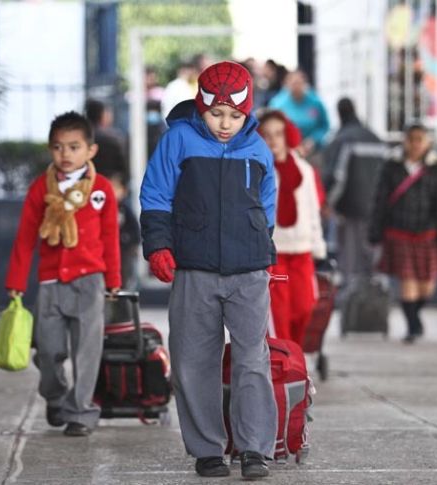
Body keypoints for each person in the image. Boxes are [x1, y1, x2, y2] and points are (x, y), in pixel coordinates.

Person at [140, 61, 277, 479]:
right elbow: (156, 193)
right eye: (215, 113)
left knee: (253, 358)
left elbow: (267, 204)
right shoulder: (178, 139)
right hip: (195, 268)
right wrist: (159, 246)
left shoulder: (257, 148)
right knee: (193, 359)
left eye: (235, 115)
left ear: (247, 112)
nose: (224, 124)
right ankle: (207, 450)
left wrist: (259, 241)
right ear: (200, 105)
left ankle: (255, 449)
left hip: (249, 271)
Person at [5, 111, 122, 437]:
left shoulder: (101, 190)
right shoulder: (41, 189)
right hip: (51, 282)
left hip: (90, 281)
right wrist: (16, 281)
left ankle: (82, 413)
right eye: (58, 147)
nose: (65, 154)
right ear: (50, 149)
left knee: (87, 352)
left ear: (90, 151)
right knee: (47, 350)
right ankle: (55, 396)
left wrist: (113, 278)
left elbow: (110, 236)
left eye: (73, 147)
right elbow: (26, 238)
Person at [369, 123, 437, 344]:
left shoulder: (435, 168)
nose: (416, 144)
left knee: (427, 285)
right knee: (408, 281)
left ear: (428, 142)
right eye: (411, 139)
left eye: (420, 139)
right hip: (399, 232)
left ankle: (415, 315)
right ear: (404, 141)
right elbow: (380, 201)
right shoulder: (391, 166)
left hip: (427, 234)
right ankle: (412, 326)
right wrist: (375, 230)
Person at [257, 109, 326, 347]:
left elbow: (313, 209)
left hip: (302, 252)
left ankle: (295, 361)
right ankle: (283, 367)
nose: (273, 139)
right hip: (274, 255)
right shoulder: (256, 169)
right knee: (279, 313)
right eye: (267, 134)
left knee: (305, 307)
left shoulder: (305, 170)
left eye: (278, 133)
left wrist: (319, 247)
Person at [322, 97, 388, 290]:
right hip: (376, 210)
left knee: (349, 260)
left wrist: (328, 203)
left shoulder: (343, 140)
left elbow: (337, 176)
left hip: (350, 209)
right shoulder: (376, 139)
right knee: (371, 258)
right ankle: (372, 302)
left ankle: (351, 303)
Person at [268, 69, 330, 157]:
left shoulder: (315, 102)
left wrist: (313, 140)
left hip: (313, 151)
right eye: (293, 84)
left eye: (299, 83)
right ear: (287, 84)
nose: (296, 87)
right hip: (286, 152)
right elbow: (271, 128)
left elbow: (324, 125)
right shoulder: (277, 104)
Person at [84, 98, 128, 180]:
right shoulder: (113, 138)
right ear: (102, 114)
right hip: (109, 183)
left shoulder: (80, 137)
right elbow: (123, 167)